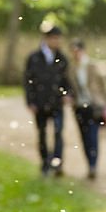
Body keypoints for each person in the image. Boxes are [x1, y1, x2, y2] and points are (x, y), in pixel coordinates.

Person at [24, 25, 72, 177]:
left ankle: (57, 163)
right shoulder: (34, 58)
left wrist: (67, 94)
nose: (57, 42)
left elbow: (66, 79)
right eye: (54, 38)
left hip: (57, 102)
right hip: (40, 103)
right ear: (47, 39)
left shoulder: (62, 58)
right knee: (42, 133)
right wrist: (30, 101)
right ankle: (45, 162)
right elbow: (28, 81)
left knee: (58, 132)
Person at [67, 39, 106, 180]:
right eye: (73, 52)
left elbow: (104, 88)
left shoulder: (94, 66)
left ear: (83, 50)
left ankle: (93, 165)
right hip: (79, 107)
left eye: (77, 51)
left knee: (92, 136)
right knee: (84, 137)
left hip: (94, 106)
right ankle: (89, 163)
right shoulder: (71, 69)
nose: (76, 54)